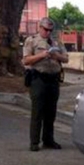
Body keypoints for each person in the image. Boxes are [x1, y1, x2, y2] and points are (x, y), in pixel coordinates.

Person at [22, 17, 69, 151]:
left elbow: (66, 58)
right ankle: (34, 142)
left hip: (53, 80)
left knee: (51, 112)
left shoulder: (57, 42)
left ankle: (48, 140)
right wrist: (41, 55)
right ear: (40, 28)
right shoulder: (32, 41)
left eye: (50, 30)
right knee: (37, 111)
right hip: (38, 79)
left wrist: (56, 56)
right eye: (46, 29)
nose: (48, 32)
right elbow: (26, 61)